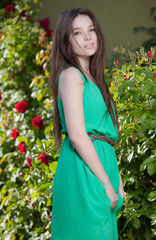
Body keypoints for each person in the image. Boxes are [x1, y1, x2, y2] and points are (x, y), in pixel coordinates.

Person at [49, 7, 125, 240]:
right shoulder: (71, 75)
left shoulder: (94, 77)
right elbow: (78, 136)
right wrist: (106, 182)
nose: (88, 37)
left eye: (91, 30)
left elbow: (106, 136)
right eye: (78, 33)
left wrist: (117, 181)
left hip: (101, 164)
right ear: (65, 40)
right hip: (84, 170)